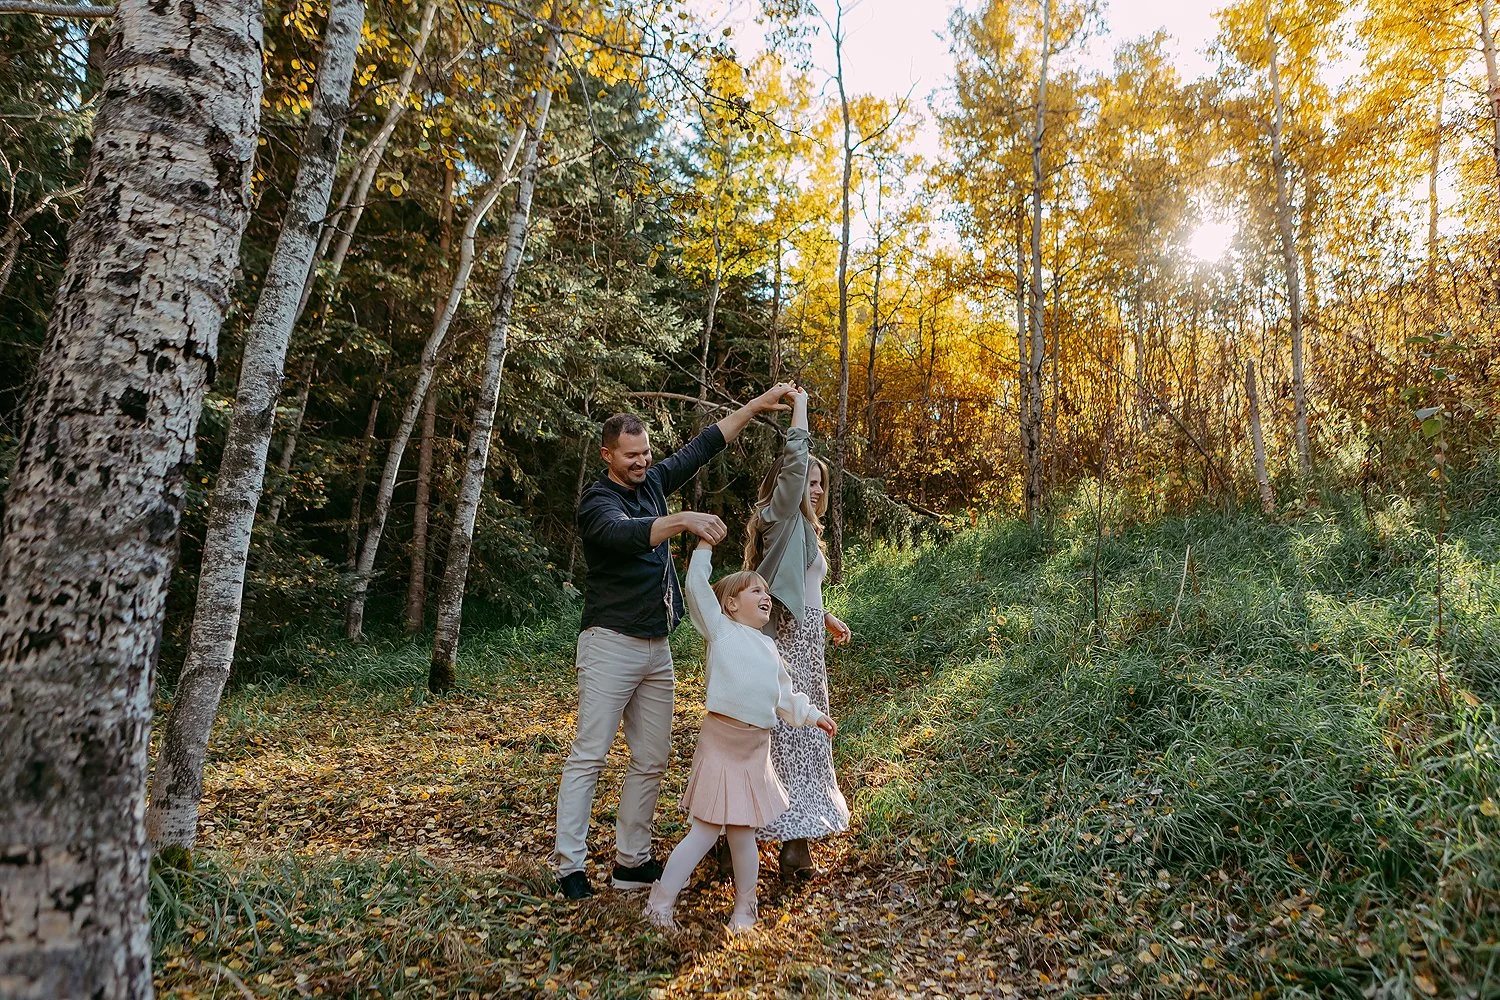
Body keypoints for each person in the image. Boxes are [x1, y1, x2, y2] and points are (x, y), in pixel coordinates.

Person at [553, 384, 798, 900]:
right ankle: (569, 866)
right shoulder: (596, 501)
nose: (643, 461)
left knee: (652, 757)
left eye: (646, 452)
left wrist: (753, 407)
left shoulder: (654, 481)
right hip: (609, 642)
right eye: (631, 455)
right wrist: (683, 520)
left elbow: (704, 444)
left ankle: (631, 862)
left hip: (657, 644)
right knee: (590, 754)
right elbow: (623, 535)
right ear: (608, 455)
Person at [642, 540, 837, 931]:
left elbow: (785, 696)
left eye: (766, 591)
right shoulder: (721, 631)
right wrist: (703, 548)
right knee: (705, 831)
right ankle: (660, 902)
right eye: (755, 590)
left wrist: (814, 715)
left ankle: (745, 910)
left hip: (755, 750)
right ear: (731, 604)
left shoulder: (769, 647)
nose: (766, 596)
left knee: (744, 833)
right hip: (722, 742)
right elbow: (697, 587)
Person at [743, 385, 852, 881]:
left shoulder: (804, 529)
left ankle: (793, 839)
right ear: (786, 484)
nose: (812, 489)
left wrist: (824, 616)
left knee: (801, 734)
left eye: (817, 483)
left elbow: (801, 586)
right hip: (784, 639)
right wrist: (801, 406)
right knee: (782, 731)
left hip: (808, 639)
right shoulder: (780, 514)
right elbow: (794, 454)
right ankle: (766, 835)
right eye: (804, 480)